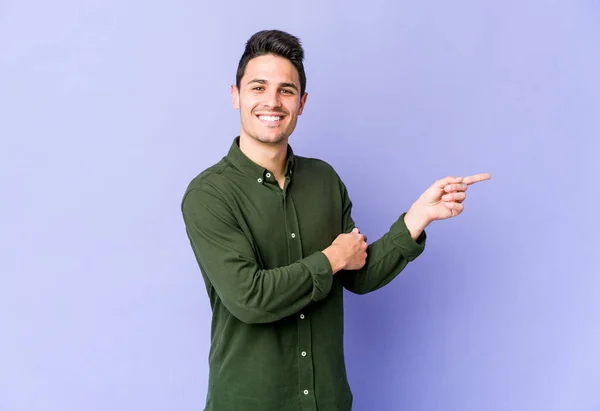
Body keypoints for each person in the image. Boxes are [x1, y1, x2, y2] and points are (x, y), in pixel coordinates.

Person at [181, 29, 490, 411]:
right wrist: (331, 258)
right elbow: (250, 298)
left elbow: (357, 274)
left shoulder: (324, 180)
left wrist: (417, 217)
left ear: (302, 102)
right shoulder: (209, 196)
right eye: (258, 87)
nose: (272, 102)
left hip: (328, 401)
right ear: (236, 95)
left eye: (286, 90)